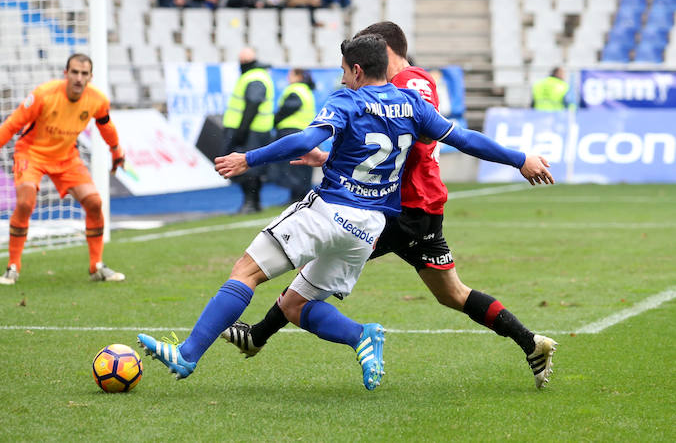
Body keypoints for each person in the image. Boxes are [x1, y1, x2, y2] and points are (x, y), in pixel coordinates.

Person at [137, 34, 554, 389]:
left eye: (342, 70)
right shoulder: (413, 105)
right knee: (299, 303)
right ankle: (361, 336)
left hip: (331, 210)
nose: (340, 78)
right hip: (369, 227)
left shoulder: (347, 101)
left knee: (245, 272)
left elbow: (303, 140)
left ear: (357, 70)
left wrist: (249, 159)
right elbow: (465, 139)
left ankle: (188, 354)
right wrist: (520, 159)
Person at [0, 53, 127, 284]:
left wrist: (116, 150)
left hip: (66, 156)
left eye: (84, 74)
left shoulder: (97, 100)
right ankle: (13, 266)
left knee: (94, 202)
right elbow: (12, 125)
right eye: (75, 72)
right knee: (25, 202)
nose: (79, 78)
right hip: (32, 153)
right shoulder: (43, 95)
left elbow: (105, 125)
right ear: (65, 73)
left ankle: (96, 266)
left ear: (90, 77)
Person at [222, 48, 274, 214]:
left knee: (247, 168)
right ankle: (254, 202)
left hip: (252, 130)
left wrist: (242, 130)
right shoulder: (258, 75)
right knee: (252, 167)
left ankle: (250, 203)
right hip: (257, 129)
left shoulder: (254, 77)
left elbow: (253, 103)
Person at [273, 68, 316, 203]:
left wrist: (275, 120)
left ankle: (296, 198)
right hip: (306, 132)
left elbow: (286, 109)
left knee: (294, 167)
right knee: (303, 167)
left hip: (292, 132)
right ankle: (302, 196)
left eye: (290, 74)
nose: (288, 77)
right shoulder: (307, 91)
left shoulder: (295, 90)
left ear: (298, 76)